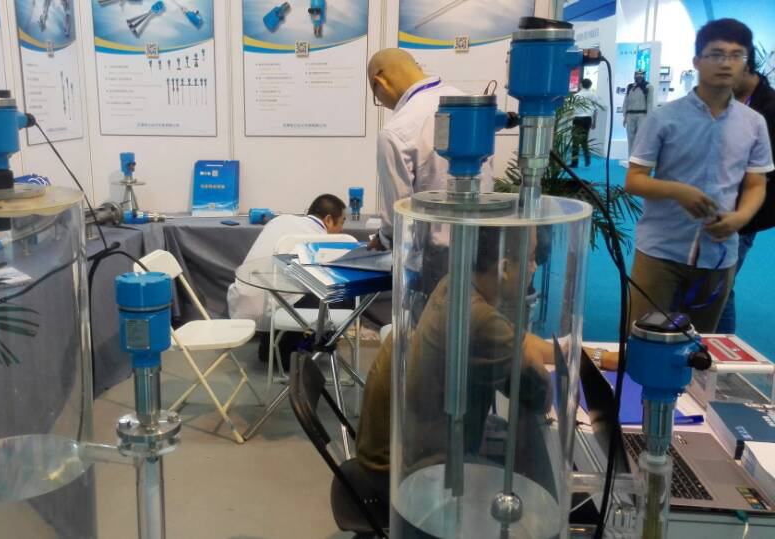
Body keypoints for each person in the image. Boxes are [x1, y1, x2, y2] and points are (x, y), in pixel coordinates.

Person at [353, 226, 618, 507]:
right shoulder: (479, 319)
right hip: (411, 477)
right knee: (547, 496)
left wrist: (587, 354)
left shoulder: (455, 286)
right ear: (504, 268)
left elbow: (519, 339)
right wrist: (525, 352)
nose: (534, 267)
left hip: (403, 454)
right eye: (530, 258)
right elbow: (540, 392)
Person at [626, 18, 772, 333]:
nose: (726, 63)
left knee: (699, 345)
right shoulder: (664, 118)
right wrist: (677, 191)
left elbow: (756, 183)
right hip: (661, 250)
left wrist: (741, 218)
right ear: (696, 61)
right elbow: (634, 179)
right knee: (643, 337)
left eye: (736, 55)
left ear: (745, 63)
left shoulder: (754, 123)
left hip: (719, 252)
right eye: (716, 54)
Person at [366, 48, 493, 251]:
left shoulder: (396, 131)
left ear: (381, 82)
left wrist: (382, 239)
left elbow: (397, 219)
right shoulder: (471, 107)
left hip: (433, 257)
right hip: (484, 247)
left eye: (376, 97)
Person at [226, 194, 346, 363]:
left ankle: (273, 344)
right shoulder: (322, 238)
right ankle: (305, 347)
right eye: (341, 222)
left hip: (243, 300)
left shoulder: (279, 221)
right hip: (276, 306)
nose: (342, 230)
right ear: (328, 219)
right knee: (337, 291)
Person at [716, 50, 775, 333]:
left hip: (743, 214)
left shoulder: (769, 109)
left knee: (720, 286)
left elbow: (764, 172)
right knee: (711, 284)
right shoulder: (728, 99)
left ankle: (721, 350)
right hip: (714, 207)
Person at [572, 78, 607, 167]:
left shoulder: (576, 96)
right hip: (587, 119)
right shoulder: (593, 95)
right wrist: (594, 122)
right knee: (584, 140)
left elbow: (572, 109)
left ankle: (574, 162)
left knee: (575, 141)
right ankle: (587, 157)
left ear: (581, 85)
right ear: (590, 85)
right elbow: (597, 109)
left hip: (577, 119)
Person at [623, 69, 651, 153]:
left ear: (644, 75)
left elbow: (650, 103)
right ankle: (630, 157)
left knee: (641, 137)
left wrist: (649, 117)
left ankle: (638, 157)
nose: (639, 76)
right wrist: (624, 116)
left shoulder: (648, 87)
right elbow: (626, 101)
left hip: (642, 115)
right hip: (630, 115)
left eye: (641, 74)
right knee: (630, 138)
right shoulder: (630, 87)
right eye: (637, 74)